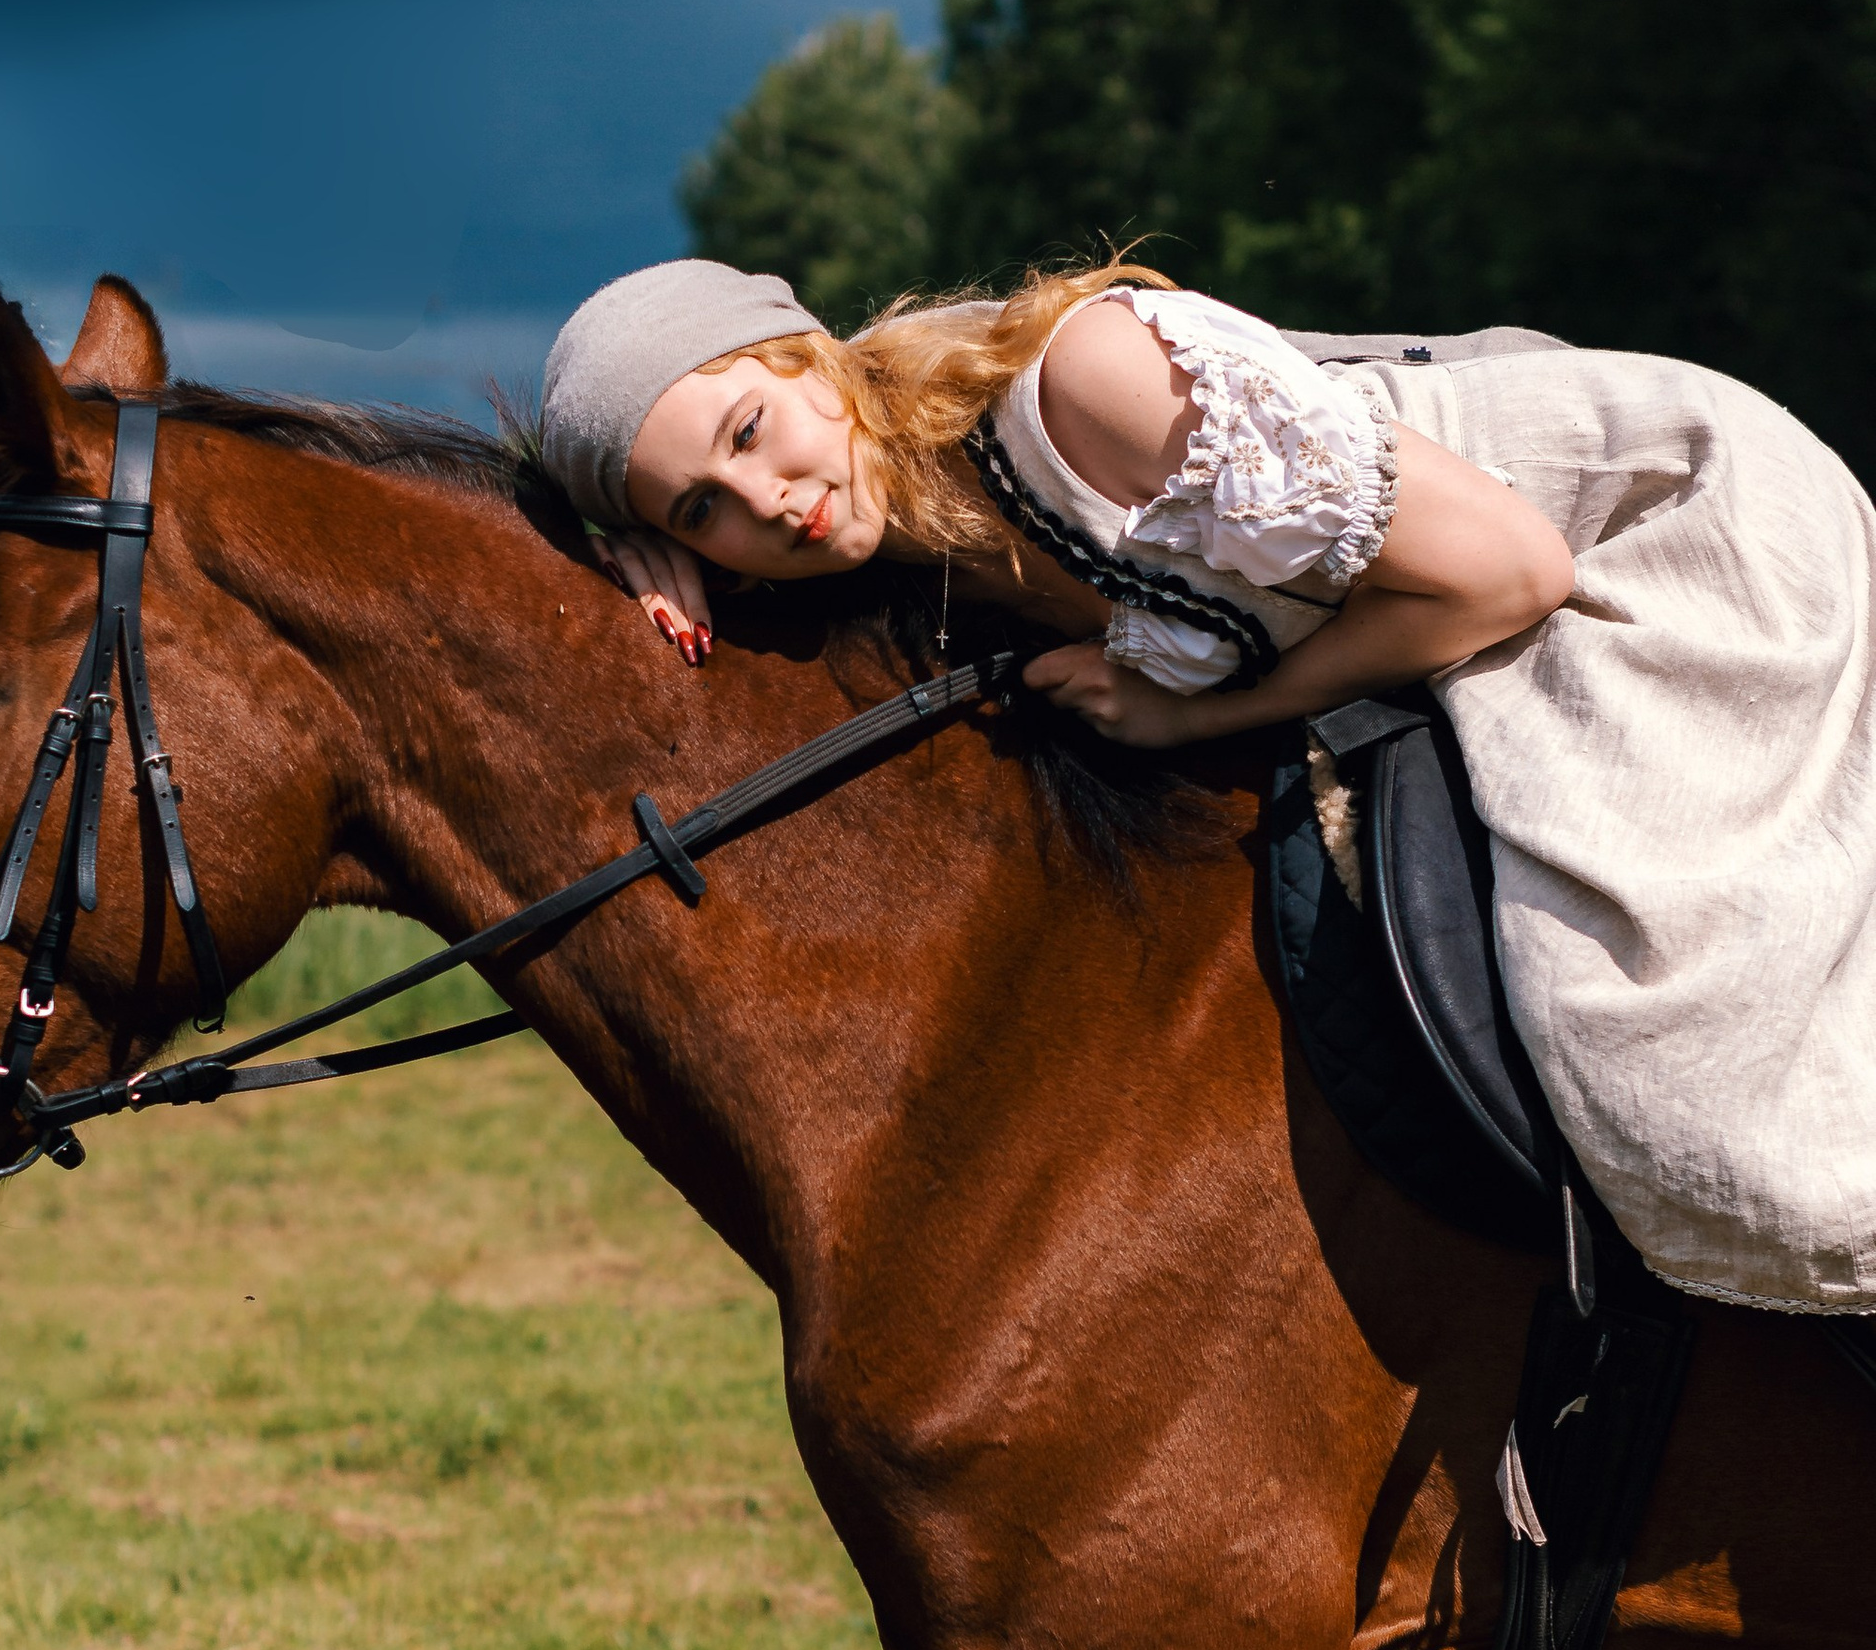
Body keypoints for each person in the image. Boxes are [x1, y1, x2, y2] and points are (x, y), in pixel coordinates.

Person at [534, 255, 1876, 1320]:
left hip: (1647, 551)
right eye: (702, 508)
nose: (766, 501)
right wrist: (629, 553)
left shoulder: (1081, 391)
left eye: (752, 427)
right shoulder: (903, 521)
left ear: (803, 350)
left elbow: (1509, 568)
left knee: (1661, 1047)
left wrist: (1207, 714)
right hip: (1475, 613)